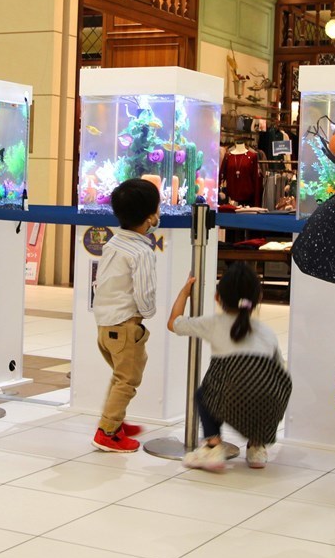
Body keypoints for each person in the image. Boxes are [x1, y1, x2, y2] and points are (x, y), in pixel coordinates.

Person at [167, 263, 291, 472]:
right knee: (258, 385)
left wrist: (185, 291)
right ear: (258, 299)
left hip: (230, 401)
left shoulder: (214, 323)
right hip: (270, 408)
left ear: (217, 297)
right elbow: (279, 369)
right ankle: (256, 447)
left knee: (204, 393)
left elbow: (174, 323)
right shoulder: (267, 332)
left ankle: (213, 447)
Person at [90, 178, 160, 452]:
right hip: (126, 326)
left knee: (121, 376)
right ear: (150, 216)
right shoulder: (142, 251)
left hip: (105, 327)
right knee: (128, 380)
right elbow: (145, 291)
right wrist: (149, 313)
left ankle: (115, 421)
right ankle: (106, 432)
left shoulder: (114, 242)